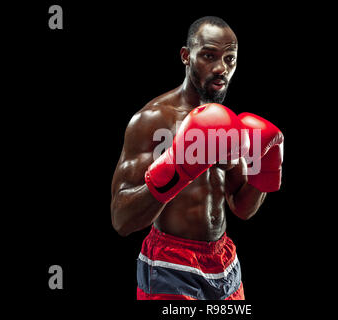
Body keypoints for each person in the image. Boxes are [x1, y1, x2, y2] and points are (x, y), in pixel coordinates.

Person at [110, 16, 284, 300]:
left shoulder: (228, 124)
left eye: (230, 58)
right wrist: (177, 166)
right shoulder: (153, 120)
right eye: (208, 56)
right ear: (186, 56)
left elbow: (242, 208)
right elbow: (121, 219)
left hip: (224, 262)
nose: (221, 68)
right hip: (170, 264)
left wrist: (267, 166)